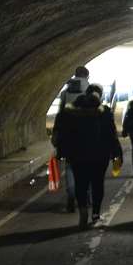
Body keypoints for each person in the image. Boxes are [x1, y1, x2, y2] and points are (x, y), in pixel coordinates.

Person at [52, 91, 122, 228]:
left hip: (77, 156)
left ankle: (83, 210)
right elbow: (111, 135)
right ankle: (95, 213)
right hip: (99, 156)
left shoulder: (69, 116)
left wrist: (61, 152)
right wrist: (116, 153)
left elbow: (63, 136)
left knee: (81, 184)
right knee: (97, 184)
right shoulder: (103, 115)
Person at [53, 66, 91, 212]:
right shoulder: (90, 90)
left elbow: (60, 114)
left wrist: (57, 135)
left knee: (70, 166)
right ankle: (86, 196)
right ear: (87, 76)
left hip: (69, 135)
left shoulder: (66, 92)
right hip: (87, 135)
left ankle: (71, 193)